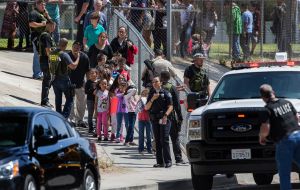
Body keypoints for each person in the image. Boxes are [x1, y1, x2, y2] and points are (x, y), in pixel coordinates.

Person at [259, 84, 300, 190]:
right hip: (298, 136)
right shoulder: (287, 102)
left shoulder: (267, 109)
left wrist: (262, 137)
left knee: (284, 173)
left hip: (285, 141)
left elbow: (266, 128)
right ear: (274, 92)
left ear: (263, 97)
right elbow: (297, 118)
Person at [145, 76, 173, 168]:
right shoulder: (151, 94)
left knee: (164, 139)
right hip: (155, 119)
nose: (154, 83)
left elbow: (171, 106)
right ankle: (160, 162)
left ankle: (168, 161)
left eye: (156, 81)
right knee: (157, 140)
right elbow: (146, 107)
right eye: (153, 82)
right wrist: (153, 99)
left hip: (164, 118)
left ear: (160, 83)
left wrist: (165, 115)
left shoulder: (166, 93)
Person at [160, 71, 185, 164]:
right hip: (170, 116)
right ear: (169, 78)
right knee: (175, 138)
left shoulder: (159, 88)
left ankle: (164, 159)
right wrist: (180, 117)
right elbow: (177, 105)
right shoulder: (172, 88)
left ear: (161, 78)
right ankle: (178, 159)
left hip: (160, 116)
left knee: (163, 138)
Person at [52, 38, 80, 118]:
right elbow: (73, 66)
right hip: (64, 80)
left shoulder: (53, 53)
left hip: (54, 80)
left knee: (58, 99)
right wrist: (78, 57)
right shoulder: (64, 54)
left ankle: (58, 116)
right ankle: (64, 117)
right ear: (66, 45)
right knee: (70, 99)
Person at [68, 41, 90, 127]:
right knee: (70, 103)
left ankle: (80, 120)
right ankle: (71, 120)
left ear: (80, 49)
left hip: (81, 83)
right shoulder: (68, 56)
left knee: (82, 103)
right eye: (74, 46)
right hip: (69, 83)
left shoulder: (84, 57)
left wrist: (88, 83)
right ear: (72, 47)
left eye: (78, 47)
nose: (76, 48)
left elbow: (88, 71)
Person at [29, 0, 51, 80]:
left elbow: (52, 24)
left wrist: (47, 15)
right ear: (37, 4)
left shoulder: (43, 14)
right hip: (37, 37)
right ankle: (37, 74)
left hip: (45, 38)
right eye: (42, 4)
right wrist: (42, 24)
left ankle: (42, 73)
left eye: (44, 5)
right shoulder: (34, 13)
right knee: (37, 55)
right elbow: (31, 24)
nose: (44, 6)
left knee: (44, 55)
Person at [38, 20, 56, 107]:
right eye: (52, 25)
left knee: (48, 80)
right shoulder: (46, 36)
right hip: (47, 61)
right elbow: (48, 51)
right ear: (47, 25)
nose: (54, 27)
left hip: (44, 60)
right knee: (47, 80)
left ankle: (45, 99)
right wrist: (54, 61)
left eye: (54, 26)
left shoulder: (45, 34)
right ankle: (44, 101)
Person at [137, 88, 152, 154]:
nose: (145, 95)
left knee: (149, 135)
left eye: (146, 94)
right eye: (144, 94)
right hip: (141, 119)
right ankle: (141, 148)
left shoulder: (150, 101)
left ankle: (149, 148)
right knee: (141, 134)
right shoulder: (140, 101)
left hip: (148, 119)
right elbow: (138, 109)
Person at [85, 68, 98, 133]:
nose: (92, 74)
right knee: (90, 114)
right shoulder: (88, 82)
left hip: (98, 100)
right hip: (90, 100)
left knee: (98, 114)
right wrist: (92, 89)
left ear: (96, 74)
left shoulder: (98, 82)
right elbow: (86, 91)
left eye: (93, 73)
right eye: (91, 73)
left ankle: (97, 127)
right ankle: (90, 128)